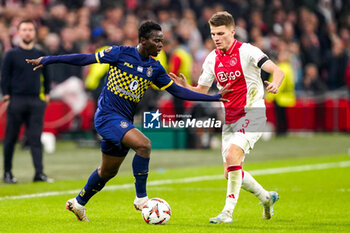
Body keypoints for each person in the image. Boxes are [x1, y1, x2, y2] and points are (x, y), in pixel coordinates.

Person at [26, 21, 230, 221]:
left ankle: (78, 203)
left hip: (123, 120)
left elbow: (177, 91)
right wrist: (48, 59)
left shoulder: (155, 68)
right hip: (107, 116)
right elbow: (84, 58)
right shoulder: (119, 53)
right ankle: (141, 199)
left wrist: (214, 97)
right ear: (143, 40)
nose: (161, 45)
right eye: (156, 41)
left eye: (162, 41)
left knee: (107, 172)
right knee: (144, 145)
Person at [169, 11, 284, 223]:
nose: (216, 38)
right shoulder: (212, 59)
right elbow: (202, 91)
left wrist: (275, 83)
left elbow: (276, 70)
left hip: (253, 113)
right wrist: (186, 87)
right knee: (231, 171)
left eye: (220, 33)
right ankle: (266, 198)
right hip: (229, 119)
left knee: (232, 156)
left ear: (233, 32)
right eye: (213, 34)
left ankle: (227, 213)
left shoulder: (248, 51)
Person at [1, 19, 52, 184]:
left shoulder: (41, 54)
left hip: (35, 101)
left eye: (30, 29)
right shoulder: (11, 54)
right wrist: (7, 96)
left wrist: (48, 94)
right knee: (10, 138)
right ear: (19, 33)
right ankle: (7, 172)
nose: (27, 32)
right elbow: (4, 77)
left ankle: (39, 173)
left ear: (34, 33)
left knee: (35, 139)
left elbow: (47, 76)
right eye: (24, 30)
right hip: (16, 100)